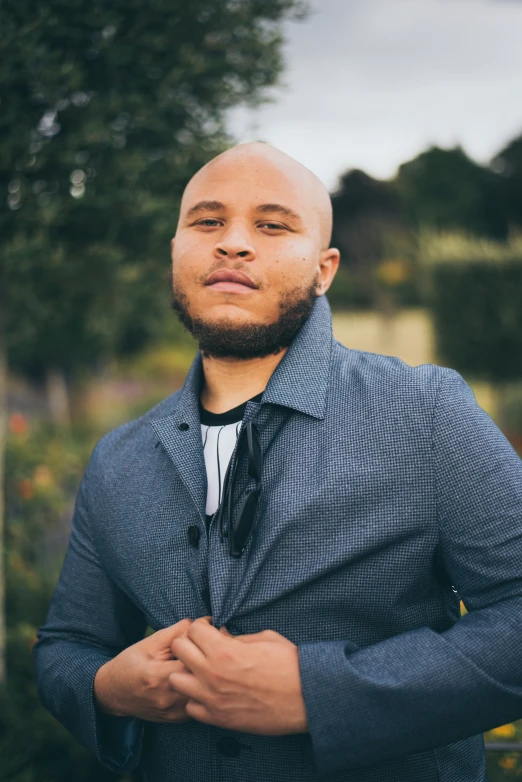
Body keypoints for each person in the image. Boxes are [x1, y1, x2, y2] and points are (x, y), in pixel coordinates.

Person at [33, 142, 522, 782]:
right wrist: (104, 688)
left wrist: (320, 695)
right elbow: (66, 646)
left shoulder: (423, 410)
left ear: (325, 269)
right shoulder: (118, 457)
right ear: (176, 251)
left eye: (272, 224)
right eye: (207, 222)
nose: (232, 242)